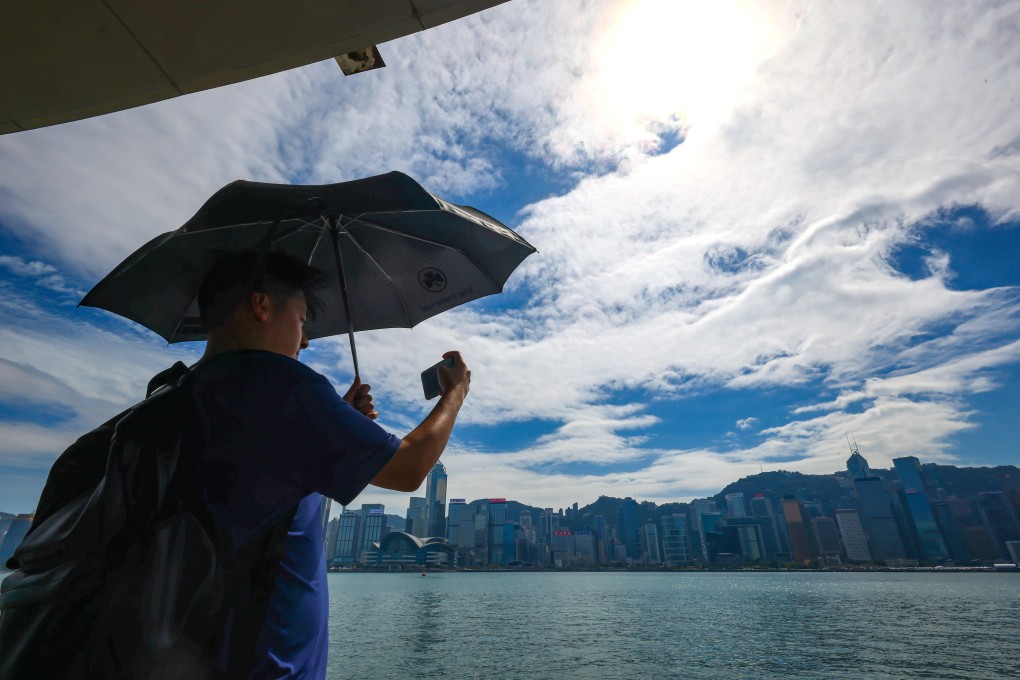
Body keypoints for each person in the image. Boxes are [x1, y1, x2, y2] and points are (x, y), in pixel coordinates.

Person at [190, 252, 470, 678]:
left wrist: (336, 421)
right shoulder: (284, 389)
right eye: (302, 320)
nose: (304, 341)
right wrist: (455, 394)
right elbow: (409, 467)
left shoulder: (184, 395)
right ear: (262, 306)